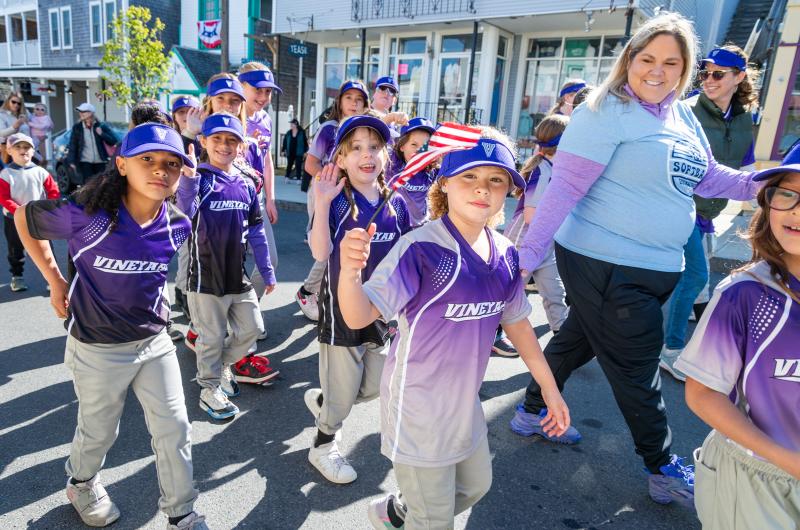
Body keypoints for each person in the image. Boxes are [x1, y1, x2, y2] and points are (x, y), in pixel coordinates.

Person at [513, 13, 761, 506]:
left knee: (578, 337)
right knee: (638, 367)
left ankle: (529, 412)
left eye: (672, 62)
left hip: (655, 268)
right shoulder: (603, 111)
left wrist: (767, 183)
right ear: (628, 60)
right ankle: (663, 465)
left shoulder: (681, 115)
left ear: (685, 69)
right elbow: (563, 191)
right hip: (604, 263)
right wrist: (520, 263)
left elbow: (709, 178)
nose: (657, 70)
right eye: (646, 58)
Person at [336, 130, 571, 530]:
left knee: (475, 487)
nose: (482, 189)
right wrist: (349, 270)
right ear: (444, 182)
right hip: (418, 411)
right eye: (468, 176)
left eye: (495, 179)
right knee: (436, 521)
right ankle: (418, 513)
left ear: (509, 190)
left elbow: (516, 322)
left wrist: (549, 388)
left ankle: (402, 510)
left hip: (466, 407)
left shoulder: (506, 254)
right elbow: (359, 317)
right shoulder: (422, 248)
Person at [13, 123, 209, 530]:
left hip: (155, 343)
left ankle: (182, 513)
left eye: (172, 164)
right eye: (148, 160)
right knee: (100, 432)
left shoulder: (178, 223)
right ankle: (81, 483)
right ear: (121, 164)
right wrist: (54, 281)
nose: (160, 170)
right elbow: (22, 220)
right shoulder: (88, 216)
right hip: (97, 348)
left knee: (175, 428)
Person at [676, 149, 800, 528]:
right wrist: (791, 462)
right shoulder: (745, 294)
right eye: (787, 194)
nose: (796, 210)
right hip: (756, 477)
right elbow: (702, 394)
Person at [303, 114, 410, 484]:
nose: (367, 155)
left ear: (386, 155)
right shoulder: (336, 202)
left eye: (375, 147)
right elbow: (319, 252)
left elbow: (406, 257)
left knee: (375, 386)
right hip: (341, 316)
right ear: (342, 160)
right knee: (342, 401)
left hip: (381, 314)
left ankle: (327, 402)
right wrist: (320, 200)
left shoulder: (394, 202)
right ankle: (322, 444)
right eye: (357, 148)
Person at [660, 44, 759, 381]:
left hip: (708, 214)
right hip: (680, 204)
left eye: (718, 74)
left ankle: (700, 341)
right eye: (705, 73)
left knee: (694, 284)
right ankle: (671, 350)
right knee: (698, 276)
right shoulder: (685, 110)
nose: (709, 79)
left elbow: (747, 169)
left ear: (739, 77)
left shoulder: (745, 120)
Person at [178, 114, 277, 420]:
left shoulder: (246, 183)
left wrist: (267, 269)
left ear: (240, 146)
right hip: (204, 278)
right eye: (217, 139)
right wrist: (190, 180)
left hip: (238, 276)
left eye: (231, 140)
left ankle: (222, 368)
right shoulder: (198, 179)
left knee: (253, 329)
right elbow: (184, 214)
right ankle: (208, 390)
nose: (224, 145)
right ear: (203, 142)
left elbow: (258, 230)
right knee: (211, 338)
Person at [296, 80, 370, 322]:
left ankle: (330, 291)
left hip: (352, 194)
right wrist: (327, 184)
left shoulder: (361, 132)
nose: (354, 103)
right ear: (339, 101)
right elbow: (310, 163)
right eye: (349, 97)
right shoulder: (330, 128)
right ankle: (307, 291)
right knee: (326, 245)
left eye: (359, 99)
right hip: (326, 191)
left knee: (346, 246)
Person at [503, 114, 569, 338]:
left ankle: (562, 344)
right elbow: (531, 216)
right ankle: (490, 336)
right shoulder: (543, 171)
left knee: (555, 294)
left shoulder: (556, 169)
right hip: (524, 241)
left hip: (545, 242)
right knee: (509, 294)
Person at [0, 133, 59, 292]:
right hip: (13, 219)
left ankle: (52, 280)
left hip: (38, 218)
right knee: (16, 249)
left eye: (27, 147)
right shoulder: (6, 174)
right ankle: (17, 277)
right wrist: (21, 211)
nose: (23, 150)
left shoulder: (41, 172)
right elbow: (4, 198)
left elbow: (53, 193)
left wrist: (49, 209)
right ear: (9, 150)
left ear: (33, 151)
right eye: (18, 147)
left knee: (46, 249)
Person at [386, 116, 437, 228]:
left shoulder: (431, 170)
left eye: (425, 146)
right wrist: (389, 118)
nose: (419, 150)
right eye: (414, 144)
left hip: (421, 228)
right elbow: (380, 137)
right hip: (395, 228)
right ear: (402, 146)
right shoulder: (392, 164)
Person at [67, 103, 118, 192]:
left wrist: (102, 134)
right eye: (80, 111)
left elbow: (113, 140)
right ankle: (89, 205)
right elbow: (73, 144)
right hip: (85, 162)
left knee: (101, 186)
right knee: (88, 186)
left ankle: (100, 204)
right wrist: (71, 161)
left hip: (100, 161)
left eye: (84, 111)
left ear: (91, 113)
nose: (81, 113)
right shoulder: (77, 127)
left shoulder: (101, 126)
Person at [0, 91, 30, 164]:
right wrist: (15, 126)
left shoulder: (23, 114)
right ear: (8, 101)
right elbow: (1, 133)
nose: (16, 105)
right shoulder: (2, 115)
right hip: (9, 149)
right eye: (13, 102)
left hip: (24, 148)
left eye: (19, 103)